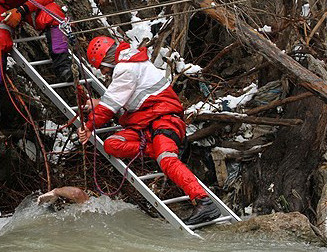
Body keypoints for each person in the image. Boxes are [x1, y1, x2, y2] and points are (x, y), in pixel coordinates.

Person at [77, 36, 221, 225]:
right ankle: (157, 151)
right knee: (112, 144)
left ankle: (204, 201)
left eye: (102, 67)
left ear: (106, 60)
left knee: (167, 159)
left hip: (164, 120)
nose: (103, 72)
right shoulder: (132, 62)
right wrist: (98, 105)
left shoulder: (124, 68)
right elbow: (124, 100)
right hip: (145, 124)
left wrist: (88, 126)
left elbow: (110, 104)